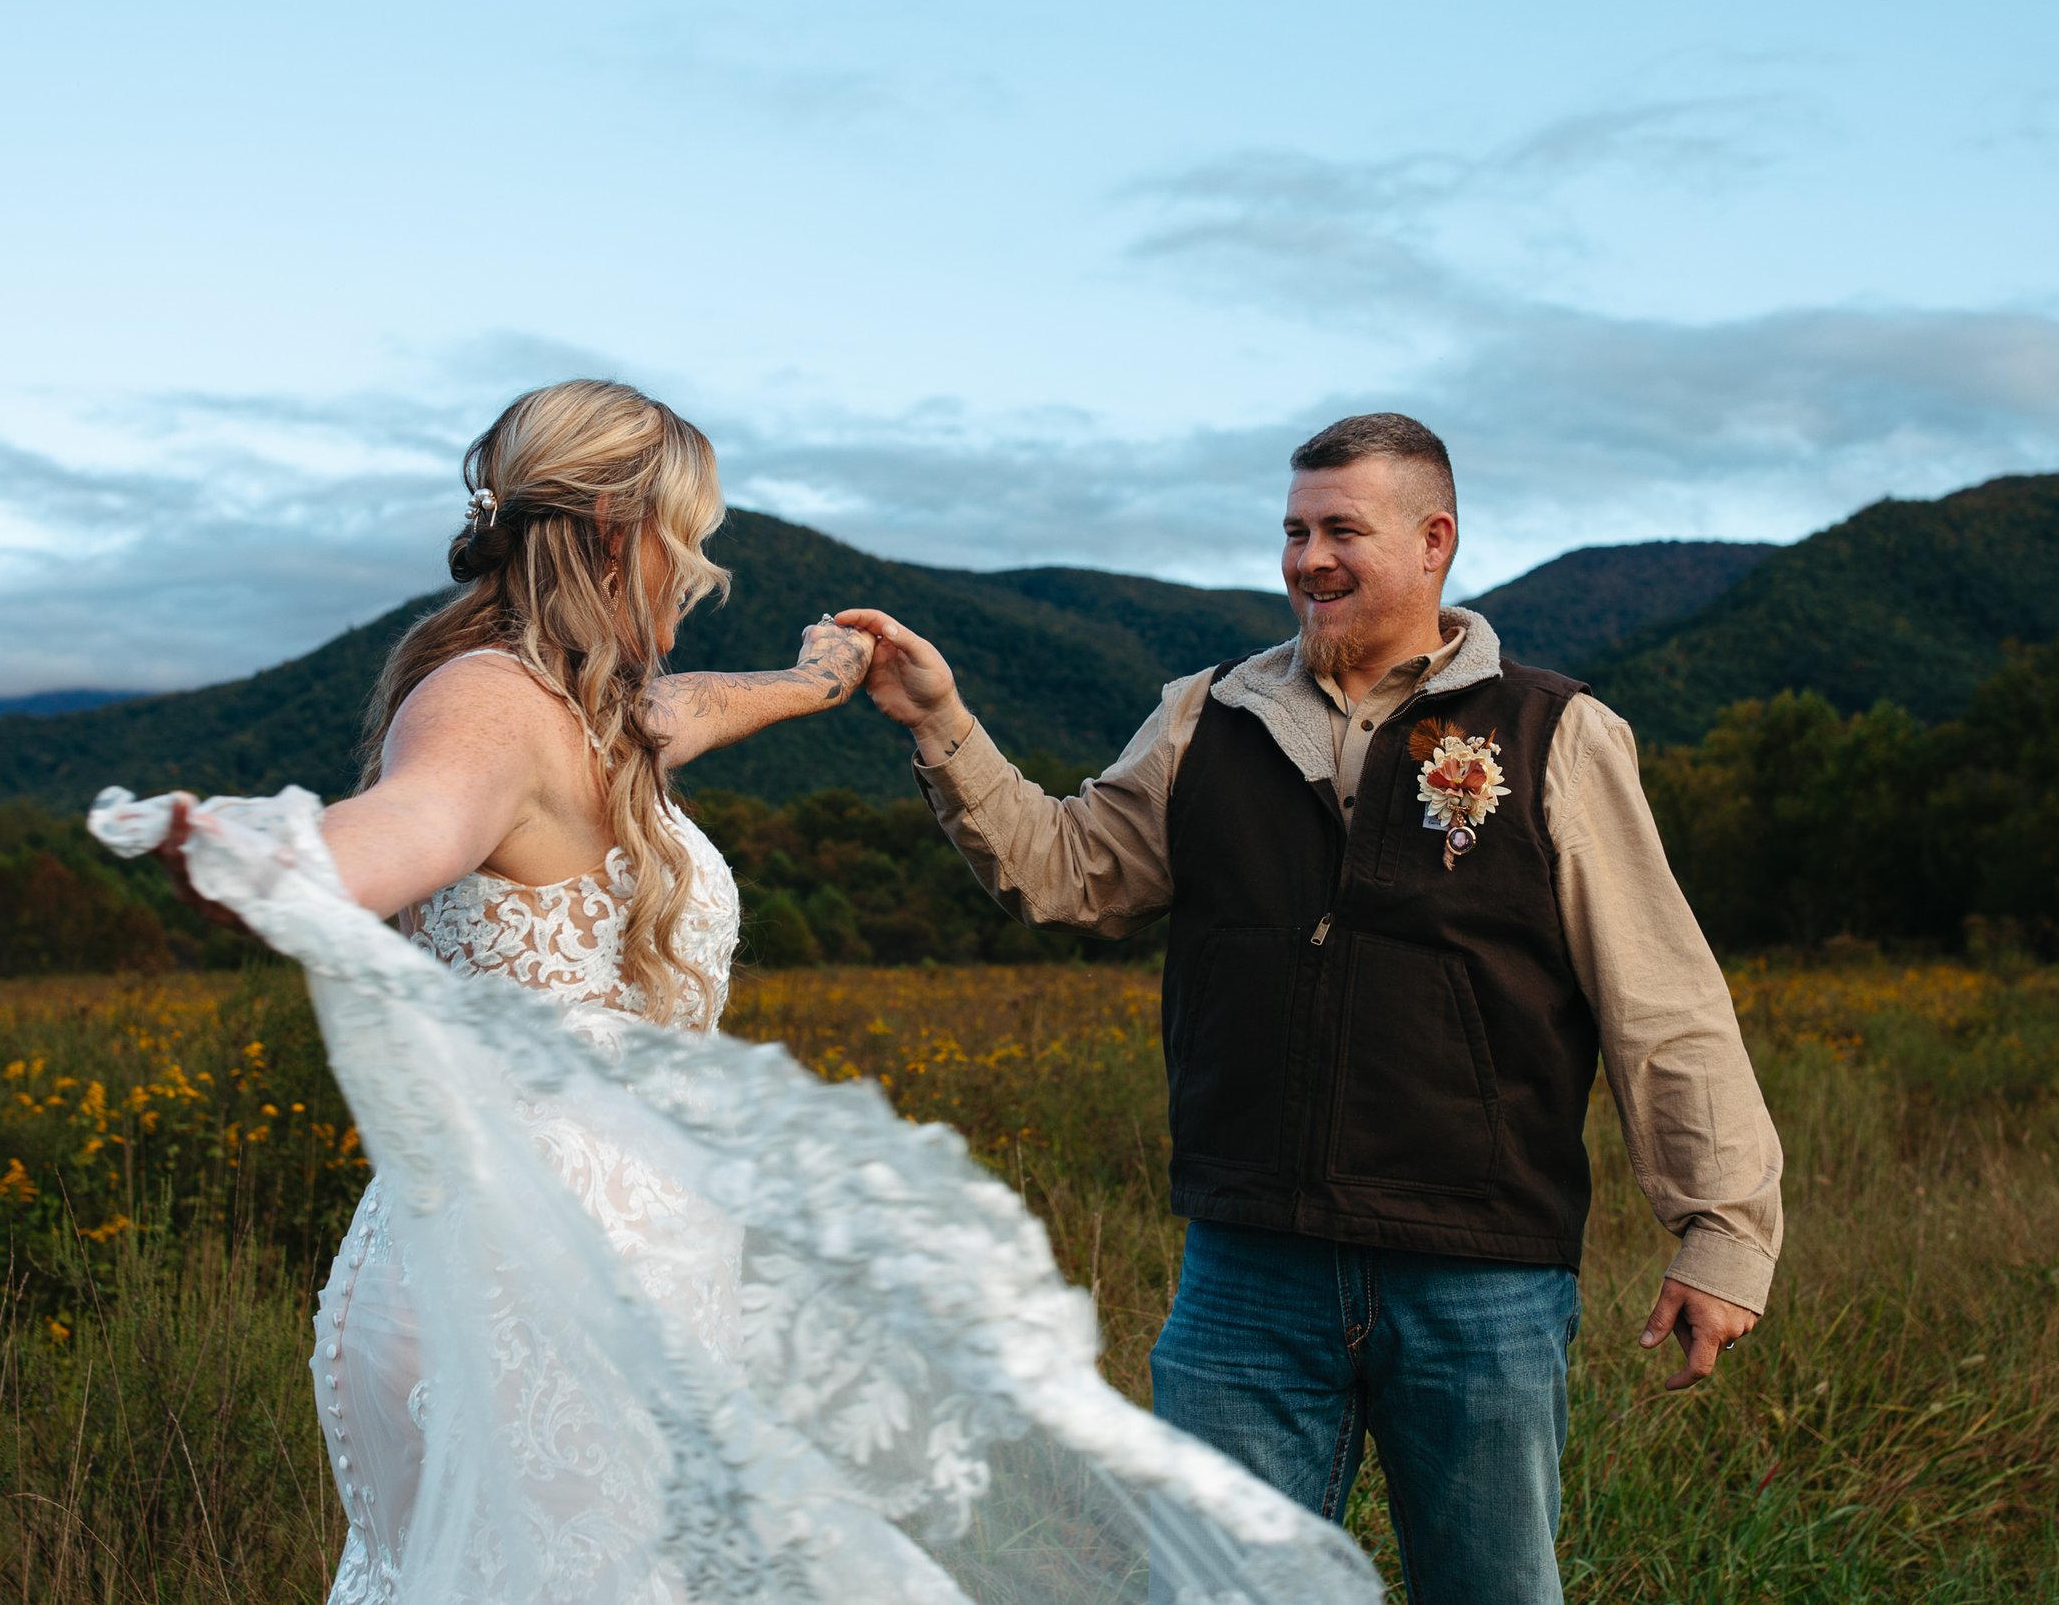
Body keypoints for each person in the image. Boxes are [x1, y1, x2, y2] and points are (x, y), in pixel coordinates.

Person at [109, 379, 1384, 1604]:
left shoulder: (591, 714)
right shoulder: (489, 709)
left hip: (585, 1262)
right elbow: (408, 824)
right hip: (529, 1282)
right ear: (619, 538)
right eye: (688, 540)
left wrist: (824, 677)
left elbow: (688, 707)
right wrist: (271, 861)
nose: (698, 572)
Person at [836, 411, 1785, 1605]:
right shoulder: (1206, 716)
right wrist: (939, 722)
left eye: (1343, 529)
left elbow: (1660, 993)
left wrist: (1722, 1227)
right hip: (1249, 1268)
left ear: (1434, 540)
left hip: (1476, 1268)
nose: (1306, 558)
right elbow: (1067, 870)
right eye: (1293, 531)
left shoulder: (1555, 732)